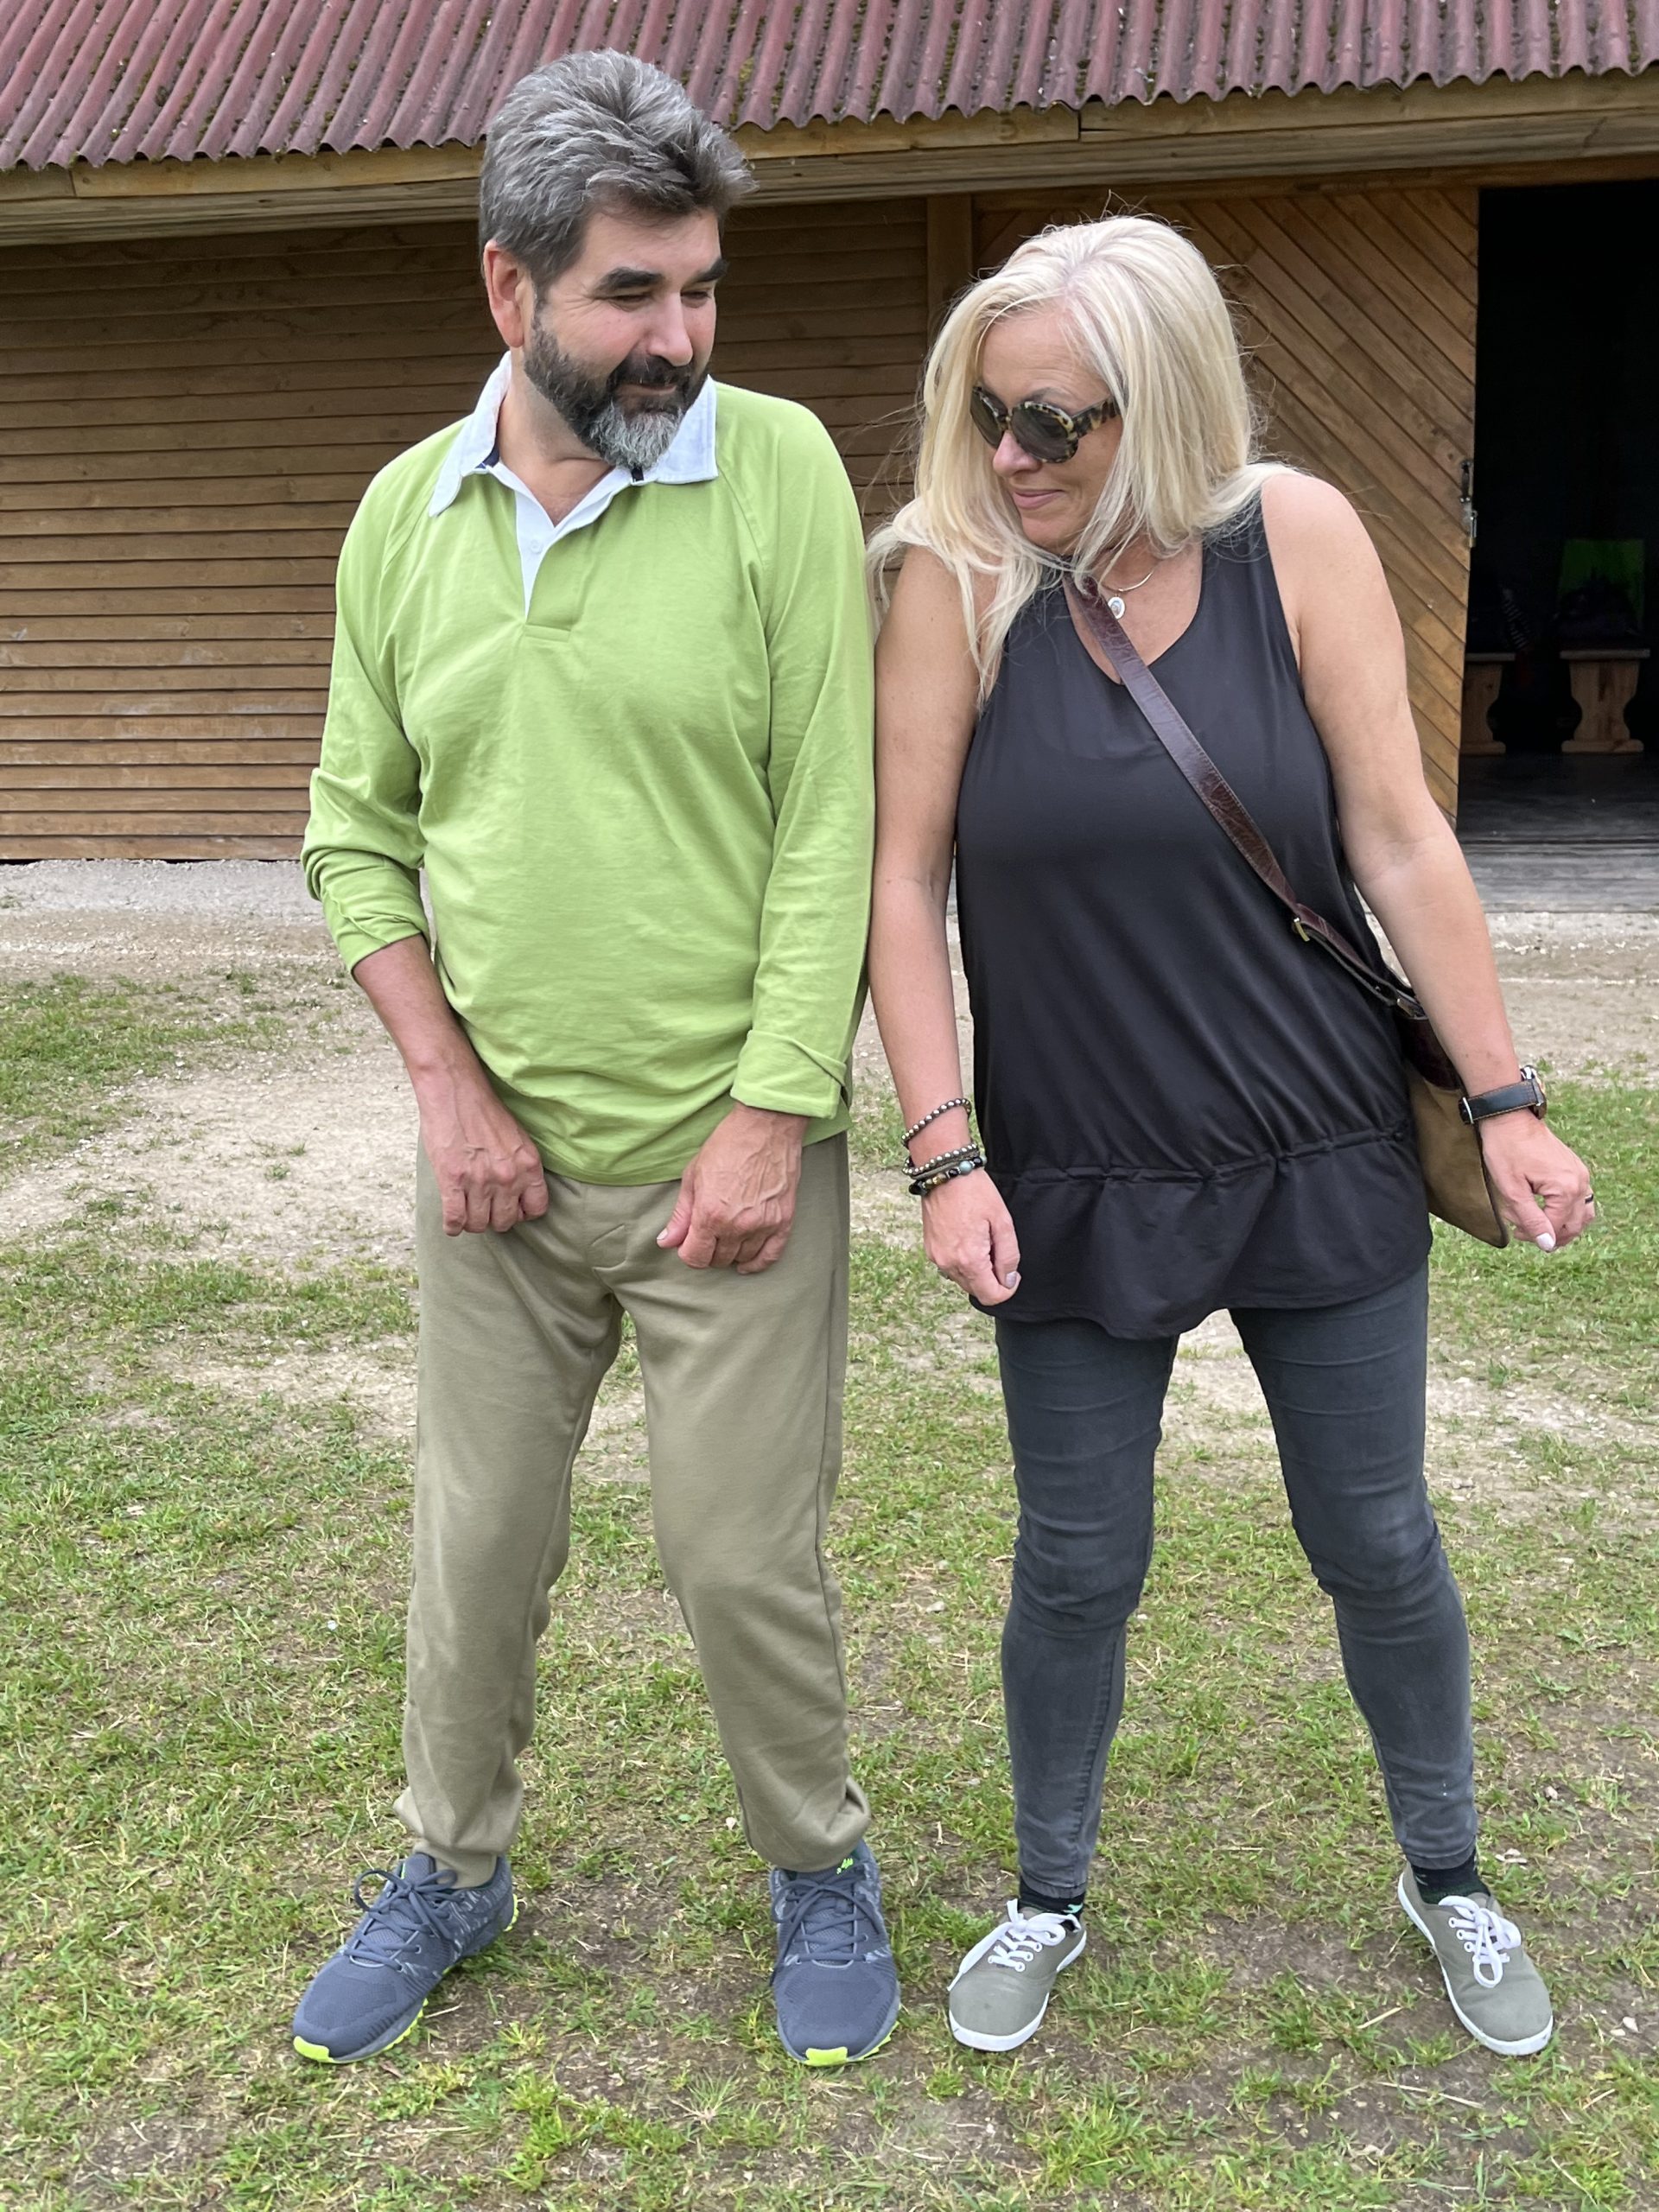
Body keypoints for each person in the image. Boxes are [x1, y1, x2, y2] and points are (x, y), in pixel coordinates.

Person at [868, 216, 1594, 2062]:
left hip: (1317, 1142)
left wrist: (1504, 1099)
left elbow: (1401, 835)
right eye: (991, 414)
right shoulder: (960, 577)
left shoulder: (1302, 539)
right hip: (1071, 1169)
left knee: (1377, 1538)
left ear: (1168, 401)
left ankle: (1448, 1873)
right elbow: (901, 878)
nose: (1012, 455)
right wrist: (946, 1151)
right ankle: (1048, 1892)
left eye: (1056, 422)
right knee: (1076, 1559)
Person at [294, 51, 897, 2070]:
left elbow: (829, 823)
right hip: (503, 1174)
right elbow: (353, 835)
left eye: (702, 288)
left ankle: (818, 1861)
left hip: (729, 1159)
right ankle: (452, 1865)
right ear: (510, 287)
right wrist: (449, 1094)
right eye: (632, 292)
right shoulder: (404, 515)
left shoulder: (779, 474)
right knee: (474, 1545)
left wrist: (772, 1114)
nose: (680, 338)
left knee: (740, 1554)